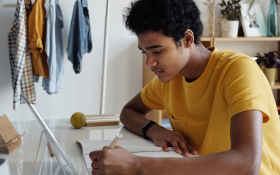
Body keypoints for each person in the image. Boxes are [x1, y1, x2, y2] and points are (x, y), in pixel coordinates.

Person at [89, 0, 280, 174]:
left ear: (187, 39)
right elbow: (129, 111)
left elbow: (246, 163)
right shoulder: (170, 80)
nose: (149, 63)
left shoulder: (237, 70)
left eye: (157, 51)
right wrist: (155, 130)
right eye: (144, 52)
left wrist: (136, 165)